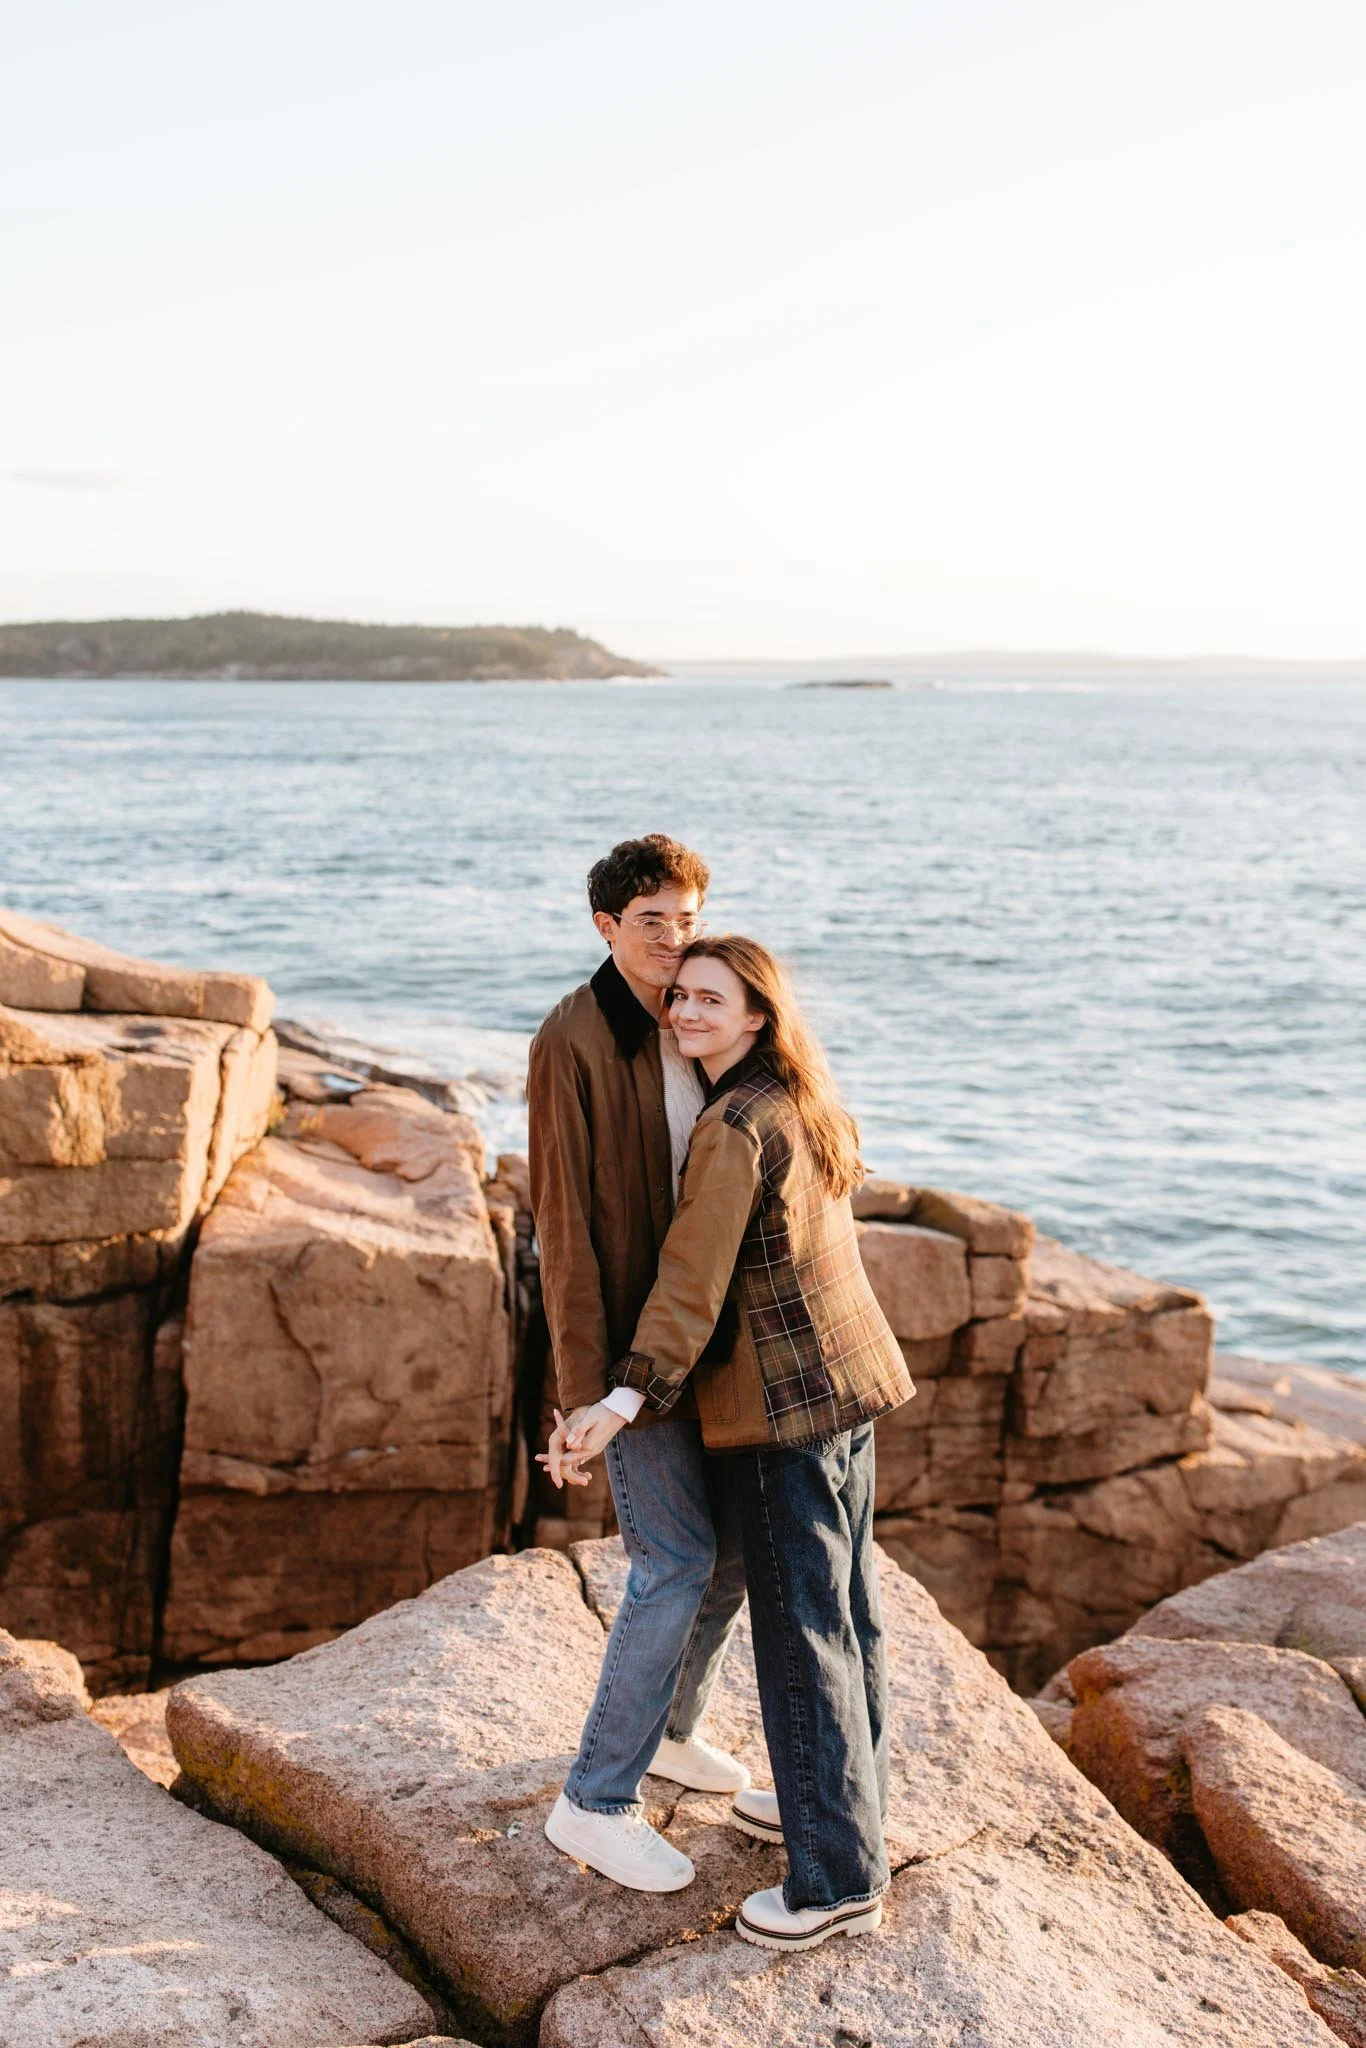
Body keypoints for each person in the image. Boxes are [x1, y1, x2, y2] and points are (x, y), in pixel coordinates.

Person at [555, 934, 915, 1953]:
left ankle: (836, 1878)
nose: (685, 1012)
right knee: (849, 1615)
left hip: (782, 1419)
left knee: (801, 1641)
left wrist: (622, 1400)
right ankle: (850, 1810)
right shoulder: (798, 1099)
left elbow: (691, 1287)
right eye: (678, 997)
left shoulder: (729, 1125)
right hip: (850, 1392)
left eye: (711, 998)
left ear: (757, 1013)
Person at [528, 835, 753, 1895]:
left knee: (733, 1554)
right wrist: (585, 1394)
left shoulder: (701, 1015)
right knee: (669, 1559)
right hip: (629, 1350)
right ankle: (595, 1798)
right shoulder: (571, 1039)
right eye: (651, 919)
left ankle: (668, 1730)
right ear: (607, 925)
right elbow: (563, 1228)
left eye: (688, 915)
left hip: (708, 1335)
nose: (673, 937)